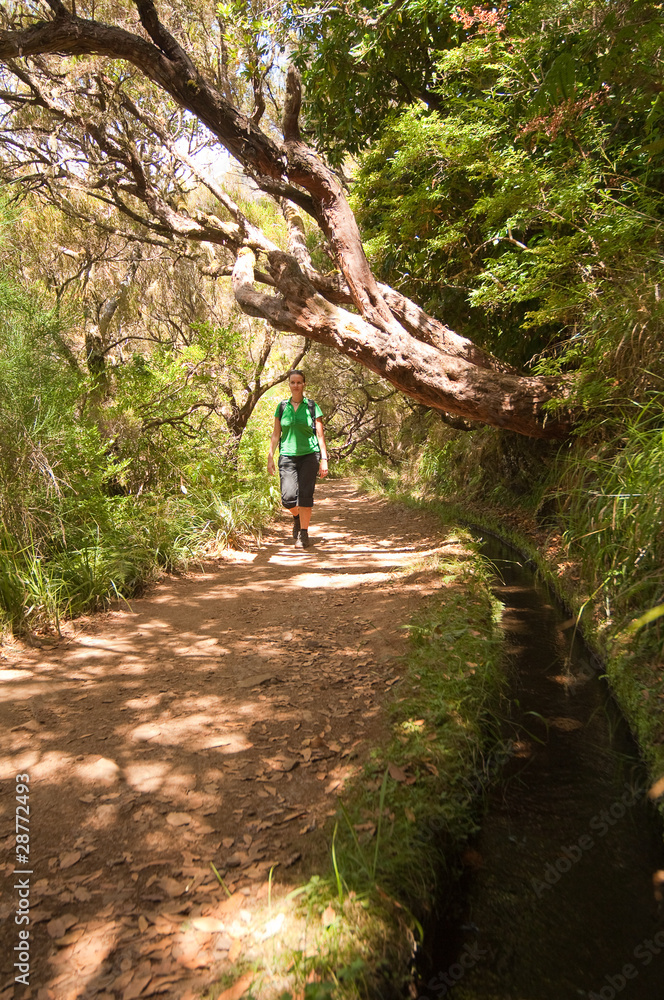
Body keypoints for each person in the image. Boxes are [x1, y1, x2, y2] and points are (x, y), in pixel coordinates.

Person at [267, 370, 328, 547]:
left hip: (309, 455)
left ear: (304, 384)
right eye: (293, 382)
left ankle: (304, 533)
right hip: (287, 455)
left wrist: (324, 458)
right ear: (289, 384)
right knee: (288, 498)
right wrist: (270, 456)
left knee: (305, 496)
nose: (296, 385)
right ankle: (296, 517)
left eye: (299, 382)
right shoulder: (282, 407)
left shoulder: (312, 406)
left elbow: (320, 436)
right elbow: (276, 433)